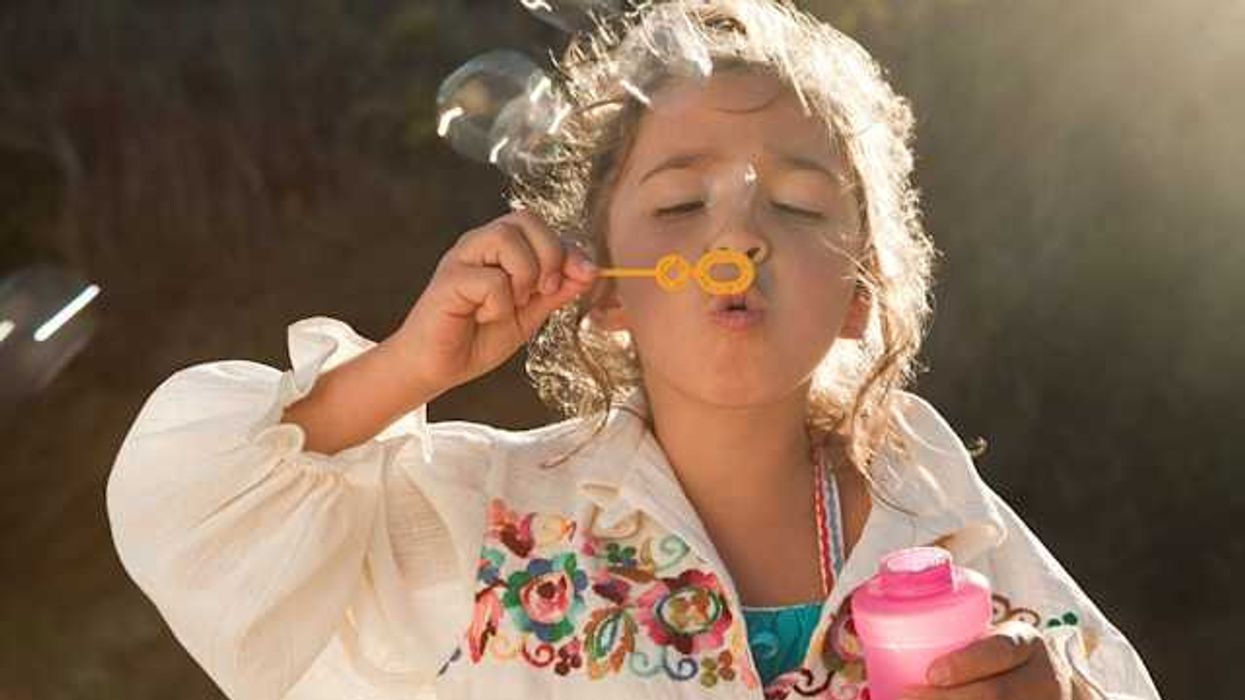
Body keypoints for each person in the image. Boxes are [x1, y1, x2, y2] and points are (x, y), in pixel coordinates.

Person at [104, 1, 1162, 698]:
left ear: (859, 296)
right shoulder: (489, 517)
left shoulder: (936, 512)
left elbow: (1108, 679)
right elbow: (185, 504)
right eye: (680, 200)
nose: (738, 236)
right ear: (603, 290)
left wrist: (1059, 690)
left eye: (795, 204)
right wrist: (408, 364)